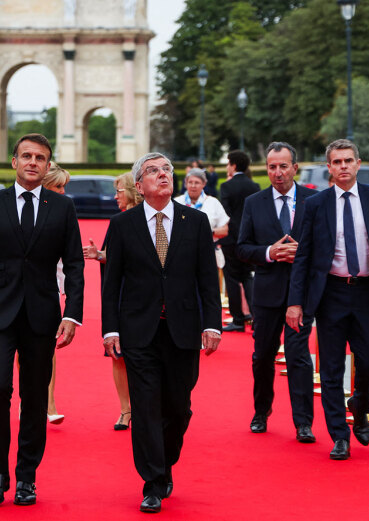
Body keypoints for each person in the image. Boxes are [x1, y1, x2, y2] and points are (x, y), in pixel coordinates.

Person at [0, 133, 84, 507]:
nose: (33, 162)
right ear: (13, 162)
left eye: (40, 157)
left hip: (43, 315)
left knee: (34, 397)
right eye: (26, 156)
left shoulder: (63, 208)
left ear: (48, 165)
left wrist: (72, 314)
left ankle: (27, 477)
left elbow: (75, 266)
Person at [101, 152, 221, 513]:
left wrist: (212, 323)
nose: (162, 175)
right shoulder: (123, 226)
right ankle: (152, 481)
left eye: (166, 169)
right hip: (139, 331)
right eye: (152, 171)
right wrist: (110, 329)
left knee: (178, 408)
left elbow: (206, 280)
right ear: (139, 185)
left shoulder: (196, 222)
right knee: (146, 407)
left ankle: (165, 462)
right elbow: (112, 283)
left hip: (183, 330)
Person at [287, 139, 369, 461]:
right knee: (329, 368)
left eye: (348, 160)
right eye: (337, 162)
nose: (343, 166)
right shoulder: (315, 205)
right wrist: (295, 301)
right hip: (331, 293)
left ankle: (359, 401)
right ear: (329, 167)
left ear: (358, 163)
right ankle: (339, 435)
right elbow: (302, 257)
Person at [236, 142, 316, 443]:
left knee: (298, 358)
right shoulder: (254, 202)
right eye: (272, 167)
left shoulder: (314, 199)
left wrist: (303, 252)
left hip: (300, 295)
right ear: (266, 168)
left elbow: (326, 242)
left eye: (283, 166)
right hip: (266, 294)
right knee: (262, 357)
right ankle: (261, 411)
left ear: (294, 167)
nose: (278, 172)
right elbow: (242, 247)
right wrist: (270, 251)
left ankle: (303, 422)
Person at [85, 171, 142, 431]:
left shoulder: (147, 219)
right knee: (117, 355)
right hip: (118, 295)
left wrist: (103, 255)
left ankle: (144, 407)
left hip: (141, 295)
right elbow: (115, 256)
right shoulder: (117, 220)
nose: (115, 196)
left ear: (131, 190)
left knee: (142, 354)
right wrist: (99, 255)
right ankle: (125, 409)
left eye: (119, 190)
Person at [39, 163, 72, 425]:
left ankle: (49, 404)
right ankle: (29, 400)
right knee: (21, 352)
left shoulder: (64, 212)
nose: (63, 192)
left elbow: (71, 259)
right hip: (17, 291)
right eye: (58, 186)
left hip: (51, 290)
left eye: (64, 186)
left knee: (48, 348)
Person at [219, 150, 260, 332]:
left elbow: (225, 215)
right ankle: (255, 317)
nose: (227, 167)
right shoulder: (255, 186)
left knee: (232, 279)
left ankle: (238, 320)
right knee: (247, 277)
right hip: (250, 240)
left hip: (231, 239)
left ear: (233, 165)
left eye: (228, 163)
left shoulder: (226, 187)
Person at [173, 168, 230, 240]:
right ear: (186, 183)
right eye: (190, 182)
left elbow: (225, 230)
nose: (193, 186)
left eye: (197, 183)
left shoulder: (213, 202)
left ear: (204, 184)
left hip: (207, 247)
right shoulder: (177, 202)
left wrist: (207, 232)